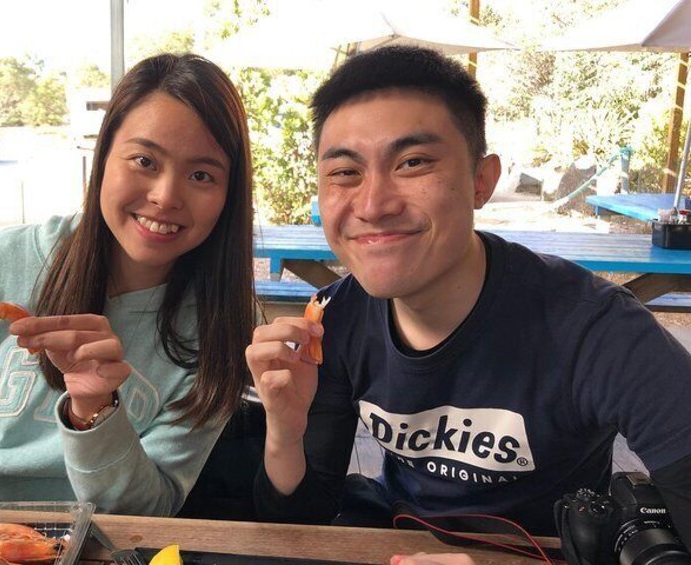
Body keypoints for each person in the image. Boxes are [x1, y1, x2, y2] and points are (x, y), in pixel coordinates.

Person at [247, 44, 691, 550]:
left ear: (482, 181)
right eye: (345, 172)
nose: (372, 205)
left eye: (413, 163)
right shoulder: (335, 321)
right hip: (400, 540)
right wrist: (284, 428)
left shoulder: (595, 330)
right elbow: (301, 518)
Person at [0, 52, 255, 516]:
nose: (165, 196)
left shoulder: (223, 328)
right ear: (103, 159)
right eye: (144, 160)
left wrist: (94, 413)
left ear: (229, 193)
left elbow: (151, 506)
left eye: (201, 175)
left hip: (100, 543)